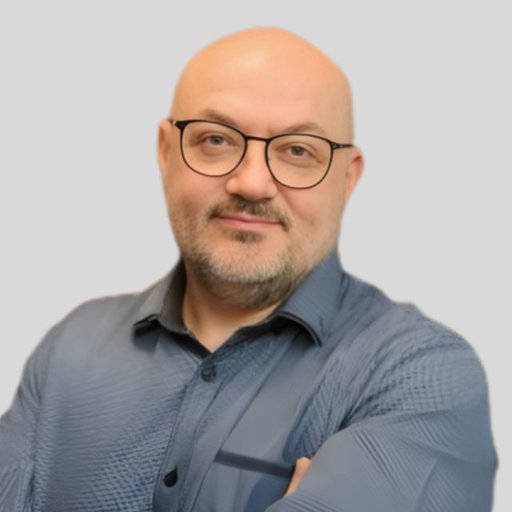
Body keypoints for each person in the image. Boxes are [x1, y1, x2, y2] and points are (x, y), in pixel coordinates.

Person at [0, 27, 497, 512]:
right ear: (166, 153)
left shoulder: (420, 376)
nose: (252, 183)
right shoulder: (71, 348)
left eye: (298, 150)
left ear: (347, 180)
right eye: (216, 140)